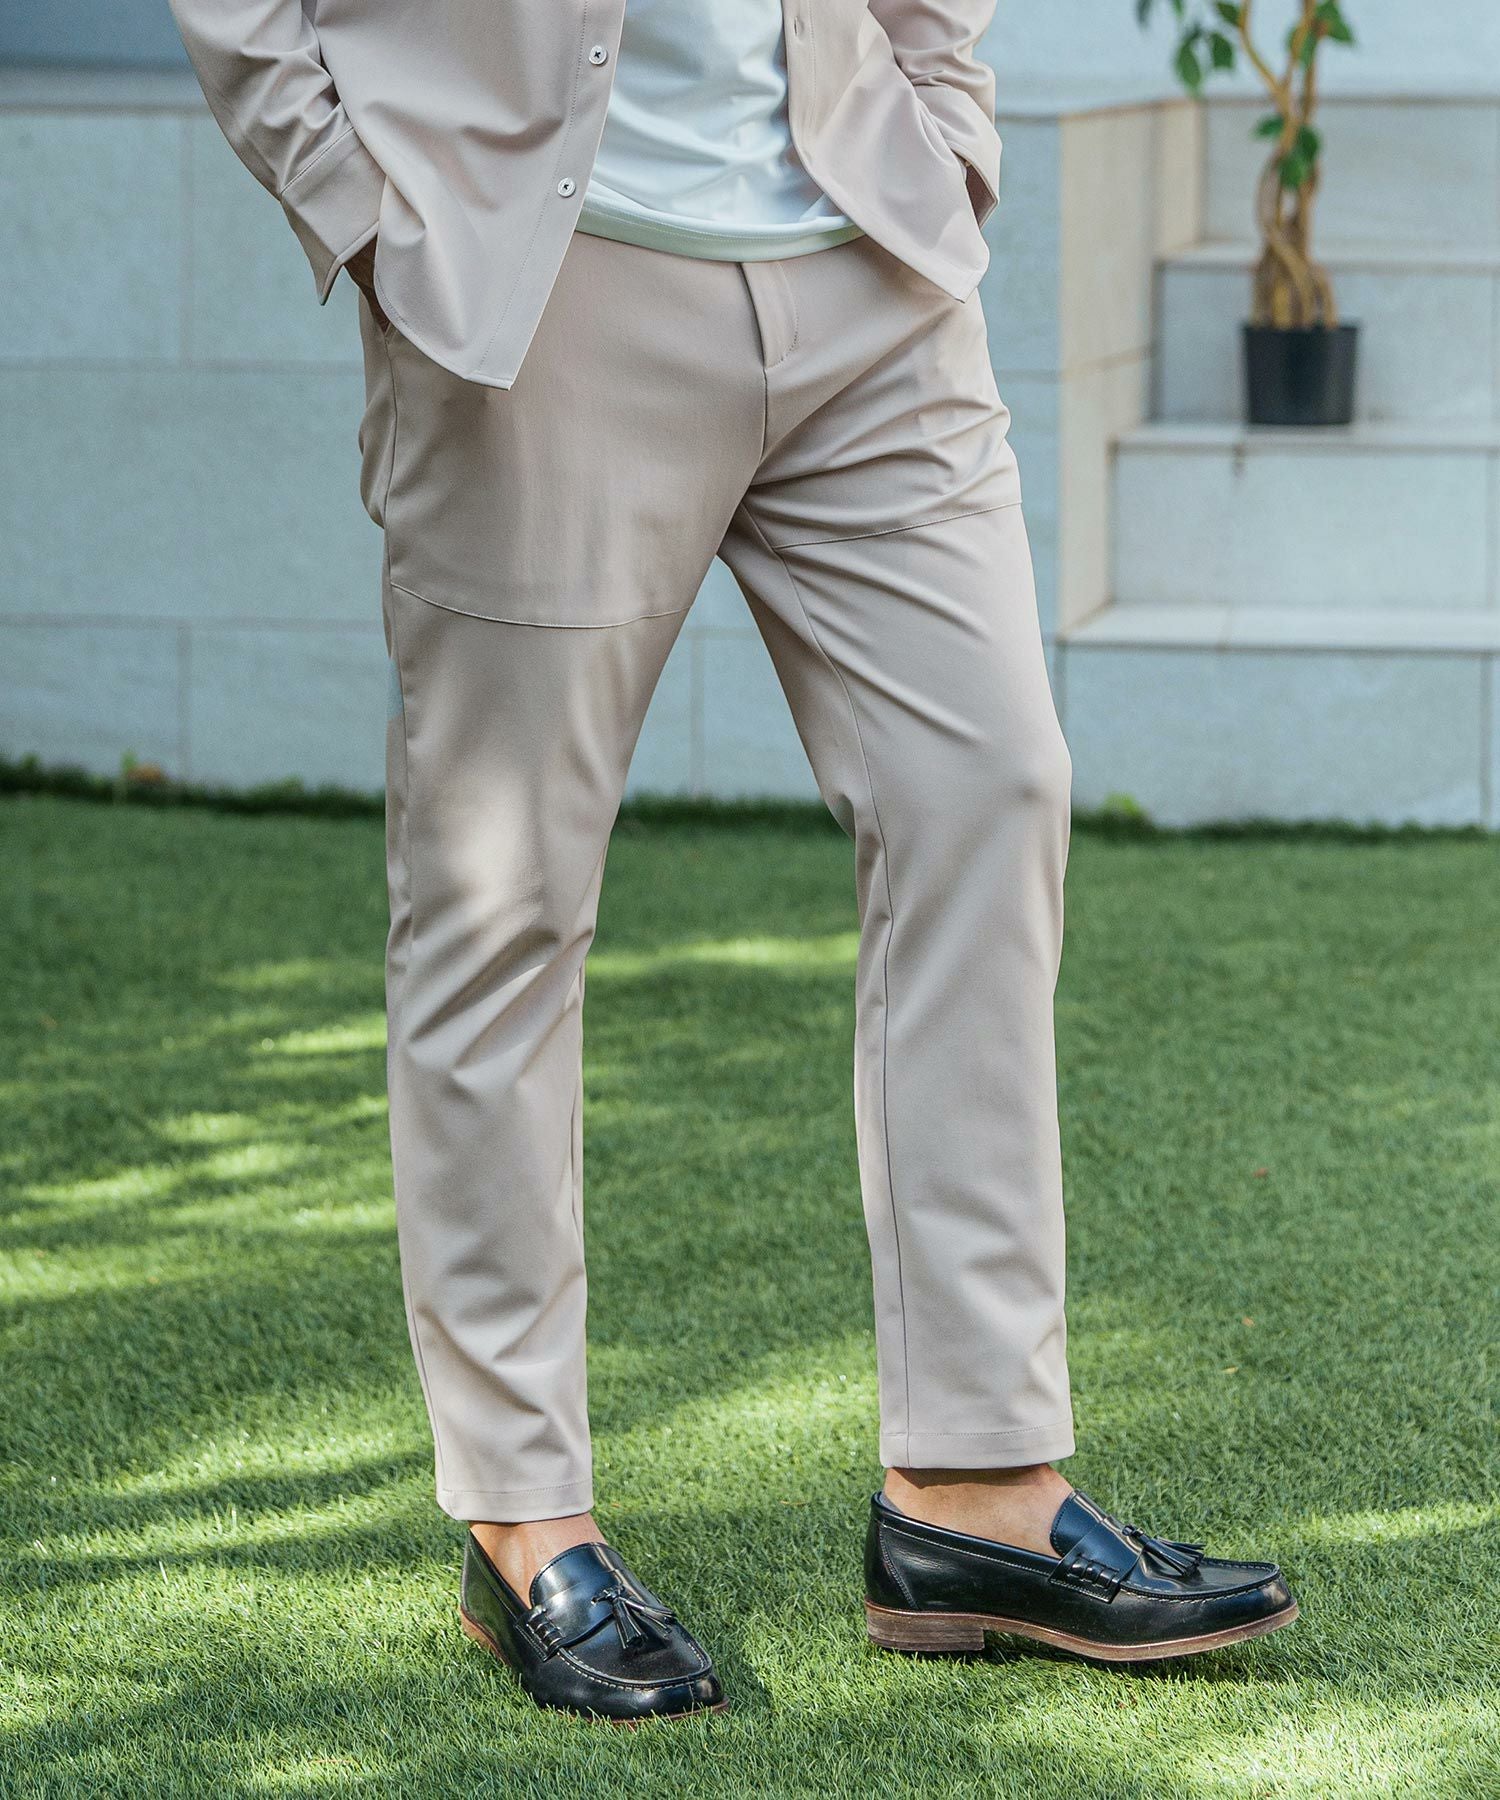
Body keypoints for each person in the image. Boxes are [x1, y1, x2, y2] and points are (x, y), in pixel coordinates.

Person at [168, 0, 1297, 1722]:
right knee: (503, 899)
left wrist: (943, 116)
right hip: (534, 280)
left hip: (864, 252)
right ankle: (525, 1516)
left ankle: (976, 1480)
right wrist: (363, 208)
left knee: (988, 786)